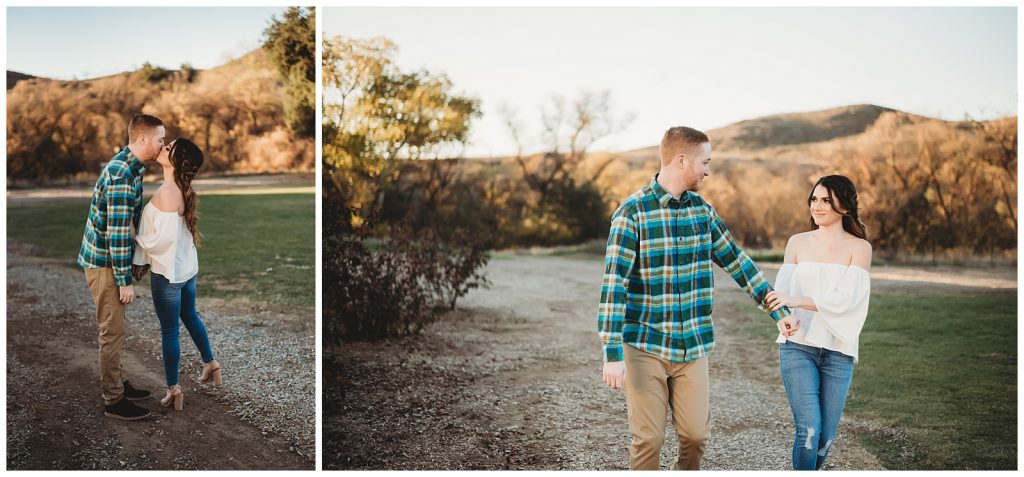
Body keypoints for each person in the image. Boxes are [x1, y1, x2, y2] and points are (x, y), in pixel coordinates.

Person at [598, 126, 799, 470]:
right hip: (645, 345)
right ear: (680, 161)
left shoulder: (702, 212)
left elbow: (736, 260)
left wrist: (775, 307)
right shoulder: (632, 214)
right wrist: (612, 352)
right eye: (704, 162)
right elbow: (614, 286)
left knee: (695, 436)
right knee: (648, 439)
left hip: (694, 345)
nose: (708, 170)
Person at [766, 174, 872, 470]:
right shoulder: (797, 243)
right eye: (814, 199)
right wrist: (782, 318)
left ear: (845, 206)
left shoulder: (860, 248)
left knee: (825, 438)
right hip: (798, 347)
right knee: (808, 431)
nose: (818, 205)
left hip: (839, 350)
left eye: (826, 200)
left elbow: (847, 300)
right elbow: (780, 295)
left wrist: (796, 301)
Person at [77, 113, 164, 420]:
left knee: (117, 329)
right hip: (103, 263)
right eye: (160, 139)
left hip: (109, 261)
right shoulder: (121, 174)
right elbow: (116, 231)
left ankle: (117, 383)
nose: (163, 145)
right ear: (142, 139)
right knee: (112, 331)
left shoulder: (133, 168)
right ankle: (114, 400)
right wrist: (124, 280)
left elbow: (128, 222)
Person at [133, 138, 222, 412]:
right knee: (190, 315)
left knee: (169, 330)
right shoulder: (180, 189)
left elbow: (162, 241)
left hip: (168, 275)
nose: (163, 148)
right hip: (186, 271)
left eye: (168, 148)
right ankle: (210, 363)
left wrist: (135, 237)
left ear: (177, 161)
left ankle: (174, 389)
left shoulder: (167, 192)